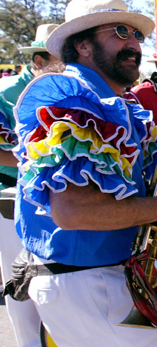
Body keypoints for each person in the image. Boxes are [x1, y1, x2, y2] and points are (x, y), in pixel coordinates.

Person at [13, 0, 157, 346]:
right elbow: (71, 211)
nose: (134, 44)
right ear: (83, 46)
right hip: (83, 282)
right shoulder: (72, 100)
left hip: (99, 279)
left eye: (137, 35)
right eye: (120, 31)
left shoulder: (115, 105)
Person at [0, 23, 64, 347]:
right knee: (22, 295)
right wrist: (37, 160)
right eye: (57, 59)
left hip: (56, 206)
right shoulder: (7, 95)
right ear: (38, 60)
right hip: (11, 204)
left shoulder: (65, 91)